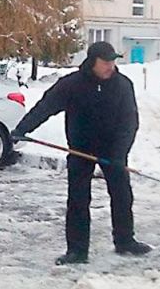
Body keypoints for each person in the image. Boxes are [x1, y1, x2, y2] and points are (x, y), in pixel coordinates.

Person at [11, 41, 151, 265]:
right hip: (80, 148)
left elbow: (130, 122)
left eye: (113, 61)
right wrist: (22, 129)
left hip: (113, 149)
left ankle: (125, 240)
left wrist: (119, 153)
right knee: (77, 199)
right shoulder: (72, 84)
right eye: (105, 62)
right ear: (92, 61)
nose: (110, 66)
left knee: (122, 194)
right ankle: (77, 251)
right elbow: (45, 107)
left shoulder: (123, 85)